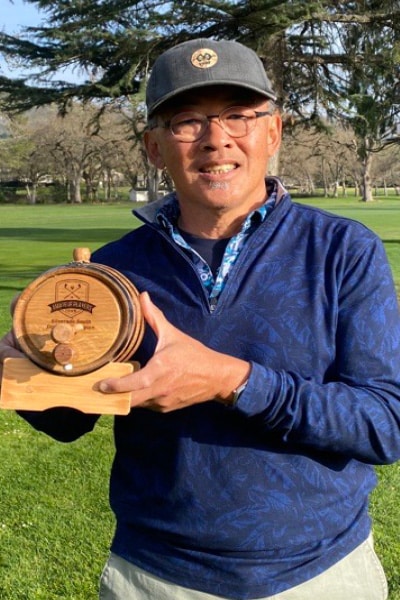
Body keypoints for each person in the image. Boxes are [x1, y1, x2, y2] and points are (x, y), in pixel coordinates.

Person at [0, 38, 399, 600]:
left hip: (320, 574)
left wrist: (230, 381)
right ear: (155, 148)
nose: (217, 140)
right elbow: (70, 421)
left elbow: (385, 423)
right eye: (187, 121)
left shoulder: (342, 250)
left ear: (272, 132)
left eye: (239, 116)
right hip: (155, 577)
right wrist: (29, 368)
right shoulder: (115, 269)